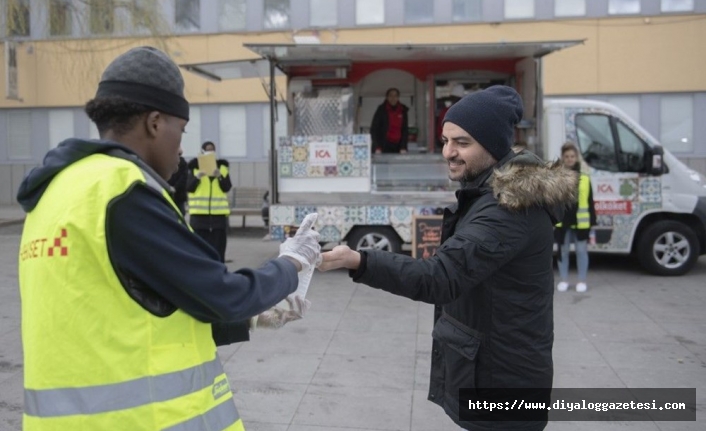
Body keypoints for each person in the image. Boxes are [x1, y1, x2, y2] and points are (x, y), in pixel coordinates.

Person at [16, 46, 321, 431]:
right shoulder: (123, 191)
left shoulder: (56, 193)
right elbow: (224, 294)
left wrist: (250, 319)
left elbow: (116, 314)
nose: (182, 148)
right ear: (155, 123)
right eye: (182, 130)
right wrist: (291, 263)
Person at [318, 86, 577, 430]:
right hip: (493, 372)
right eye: (445, 140)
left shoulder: (509, 208)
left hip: (504, 383)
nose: (448, 152)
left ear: (495, 146)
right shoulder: (490, 194)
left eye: (462, 143)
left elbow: (440, 277)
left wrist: (359, 261)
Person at [555, 142, 597, 293]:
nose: (570, 159)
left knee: (581, 251)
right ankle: (564, 280)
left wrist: (592, 221)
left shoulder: (585, 178)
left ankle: (581, 280)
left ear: (576, 158)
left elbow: (590, 201)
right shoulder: (558, 178)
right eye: (567, 156)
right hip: (563, 222)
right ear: (563, 158)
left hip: (581, 222)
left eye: (572, 156)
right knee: (563, 251)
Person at [187, 141, 231, 262]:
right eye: (207, 150)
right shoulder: (195, 168)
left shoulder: (222, 168)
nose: (210, 152)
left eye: (212, 150)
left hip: (218, 217)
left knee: (219, 250)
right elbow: (189, 188)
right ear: (202, 152)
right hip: (199, 216)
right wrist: (197, 177)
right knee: (199, 249)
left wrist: (220, 176)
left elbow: (227, 187)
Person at [370, 87, 409, 154]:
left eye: (395, 96)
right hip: (383, 145)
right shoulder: (381, 110)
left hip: (398, 146)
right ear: (387, 97)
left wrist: (403, 146)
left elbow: (405, 130)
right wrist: (377, 146)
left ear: (398, 97)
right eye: (391, 96)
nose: (393, 98)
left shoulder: (403, 110)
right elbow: (374, 129)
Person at [168, 150, 188, 214]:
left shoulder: (182, 162)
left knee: (180, 213)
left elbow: (184, 177)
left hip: (179, 195)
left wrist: (175, 187)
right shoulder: (165, 161)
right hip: (167, 192)